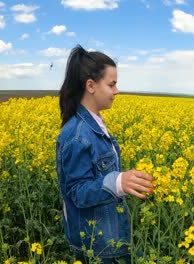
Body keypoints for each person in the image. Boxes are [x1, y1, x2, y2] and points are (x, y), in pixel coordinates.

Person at [56, 45, 154, 263]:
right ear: (91, 86)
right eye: (112, 84)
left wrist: (125, 182)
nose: (117, 91)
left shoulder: (94, 124)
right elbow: (76, 192)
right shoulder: (77, 134)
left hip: (111, 236)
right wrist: (118, 182)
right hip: (98, 244)